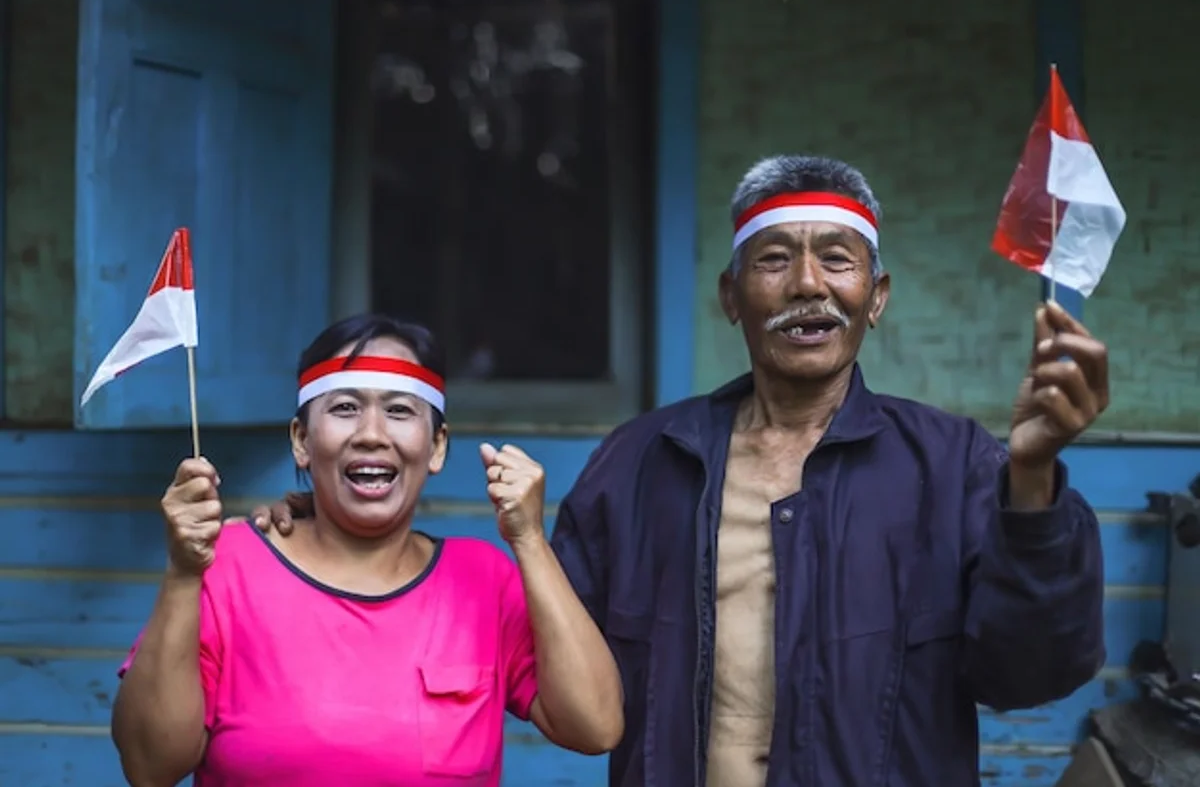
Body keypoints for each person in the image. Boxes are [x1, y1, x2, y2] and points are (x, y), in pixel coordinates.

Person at [256, 155, 1110, 786]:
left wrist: (1032, 482)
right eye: (774, 259)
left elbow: (1028, 676)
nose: (807, 283)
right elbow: (534, 649)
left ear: (875, 297)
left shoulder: (956, 467)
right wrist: (326, 529)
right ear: (732, 295)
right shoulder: (640, 464)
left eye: (837, 260)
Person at [111, 314, 623, 787]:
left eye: (399, 411)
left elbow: (595, 727)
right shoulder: (227, 568)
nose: (372, 435)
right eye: (345, 408)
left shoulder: (484, 581)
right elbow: (149, 766)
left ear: (437, 446)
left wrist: (530, 540)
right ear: (302, 441)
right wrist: (183, 572)